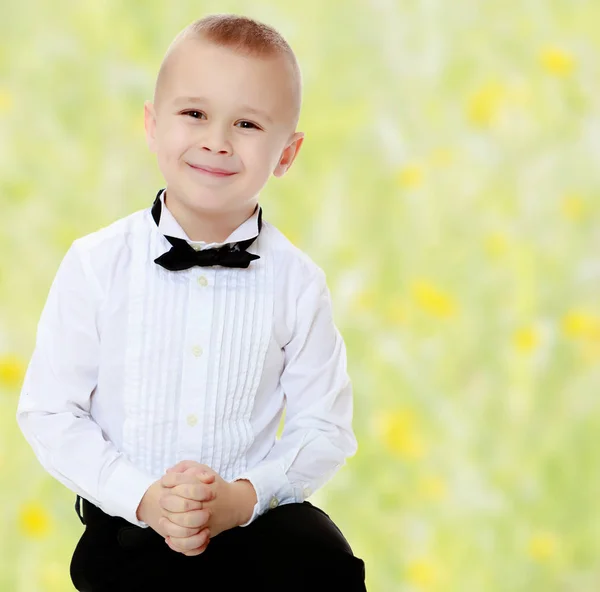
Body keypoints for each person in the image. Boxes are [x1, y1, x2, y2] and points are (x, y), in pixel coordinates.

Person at [16, 12, 366, 591]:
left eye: (248, 124)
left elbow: (324, 426)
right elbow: (52, 412)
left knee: (322, 557)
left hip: (249, 522)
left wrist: (242, 498)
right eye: (195, 114)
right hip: (128, 521)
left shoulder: (297, 282)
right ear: (152, 126)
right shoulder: (96, 263)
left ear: (286, 153)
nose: (217, 141)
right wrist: (145, 497)